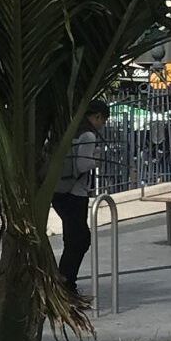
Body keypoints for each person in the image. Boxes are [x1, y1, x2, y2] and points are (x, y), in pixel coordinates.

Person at [53, 100, 110, 299]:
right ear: (97, 117)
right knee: (79, 239)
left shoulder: (71, 130)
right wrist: (98, 158)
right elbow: (83, 164)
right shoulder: (88, 134)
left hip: (59, 191)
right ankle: (66, 284)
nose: (102, 124)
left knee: (74, 238)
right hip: (75, 193)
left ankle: (65, 282)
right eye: (103, 120)